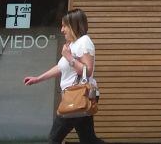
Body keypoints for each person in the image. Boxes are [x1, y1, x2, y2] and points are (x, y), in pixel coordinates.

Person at [23, 8, 105, 144]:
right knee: (89, 139)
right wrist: (38, 79)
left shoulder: (84, 42)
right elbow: (60, 67)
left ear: (74, 25)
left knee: (53, 140)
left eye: (64, 26)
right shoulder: (73, 44)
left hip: (76, 97)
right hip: (77, 96)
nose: (62, 30)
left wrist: (69, 57)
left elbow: (87, 71)